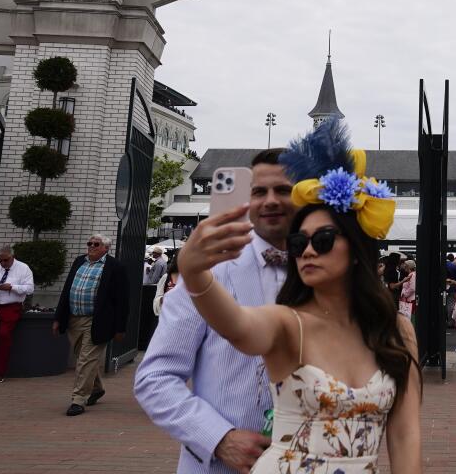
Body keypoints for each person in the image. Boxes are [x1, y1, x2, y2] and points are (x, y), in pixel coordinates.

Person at [175, 120, 421, 471]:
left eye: (322, 240)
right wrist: (194, 273)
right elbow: (236, 324)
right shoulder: (286, 322)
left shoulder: (398, 331)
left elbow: (405, 433)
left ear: (355, 249)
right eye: (298, 242)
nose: (307, 251)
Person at [136, 148, 296, 473]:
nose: (270, 201)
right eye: (258, 191)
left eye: (283, 190)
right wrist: (219, 438)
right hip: (221, 465)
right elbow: (155, 378)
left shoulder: (323, 271)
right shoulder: (209, 270)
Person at [52, 233, 129, 416]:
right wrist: (57, 318)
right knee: (82, 357)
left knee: (86, 360)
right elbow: (67, 290)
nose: (92, 246)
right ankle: (96, 388)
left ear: (106, 248)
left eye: (96, 244)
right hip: (74, 319)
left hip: (97, 321)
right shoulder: (79, 261)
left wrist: (120, 328)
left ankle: (78, 399)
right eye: (90, 243)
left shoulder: (114, 267)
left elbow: (122, 300)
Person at [0, 245, 34, 384]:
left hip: (11, 307)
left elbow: (29, 288)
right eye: (0, 260)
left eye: (6, 260)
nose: (3, 263)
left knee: (4, 335)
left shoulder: (23, 268)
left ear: (12, 257)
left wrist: (12, 287)